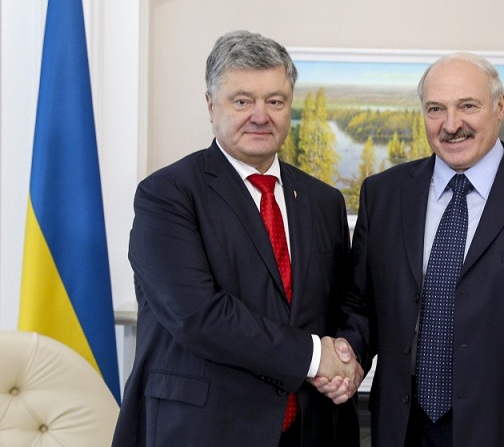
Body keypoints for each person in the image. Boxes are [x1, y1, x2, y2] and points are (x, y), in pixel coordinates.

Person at [333, 52, 504, 446]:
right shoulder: (384, 194)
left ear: (499, 107)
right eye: (436, 109)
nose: (451, 124)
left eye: (468, 106)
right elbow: (361, 305)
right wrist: (345, 356)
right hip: (404, 429)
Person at [112, 30, 364, 447]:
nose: (260, 116)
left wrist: (347, 358)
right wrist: (315, 357)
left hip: (311, 430)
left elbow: (345, 303)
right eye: (243, 101)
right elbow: (199, 315)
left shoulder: (323, 201)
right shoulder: (167, 195)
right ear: (211, 105)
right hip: (205, 430)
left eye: (275, 101)